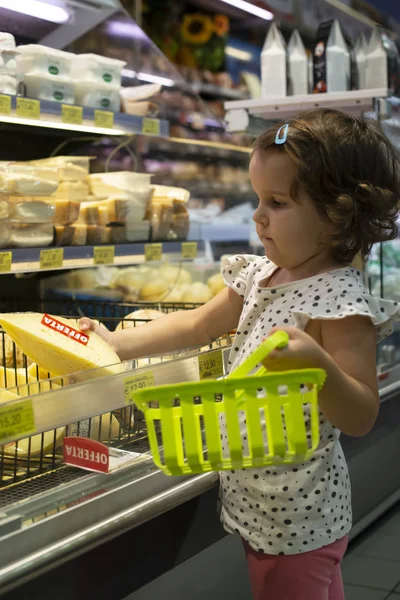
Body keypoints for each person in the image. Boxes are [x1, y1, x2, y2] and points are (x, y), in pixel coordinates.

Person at [80, 108, 400, 599]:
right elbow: (193, 324)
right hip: (259, 503)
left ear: (337, 215)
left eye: (277, 202)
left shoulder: (340, 301)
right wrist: (114, 341)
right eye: (257, 199)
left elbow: (360, 413)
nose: (257, 215)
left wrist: (318, 365)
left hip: (298, 517)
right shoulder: (258, 276)